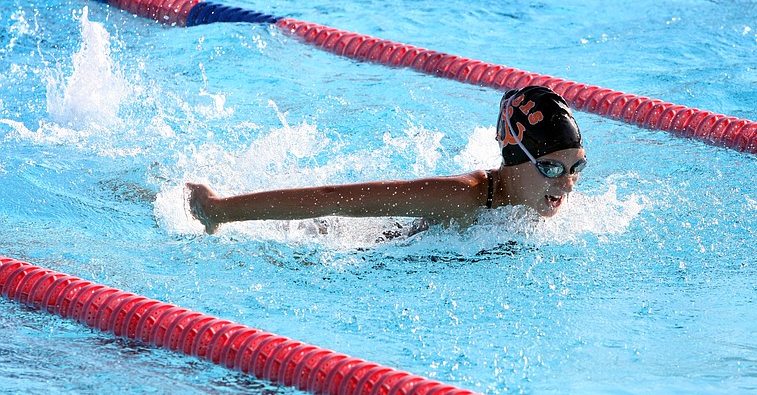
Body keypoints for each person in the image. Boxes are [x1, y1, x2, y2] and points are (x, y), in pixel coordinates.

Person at [186, 85, 586, 235]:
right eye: (551, 168)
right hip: (362, 253)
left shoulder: (541, 200)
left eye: (576, 168)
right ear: (517, 159)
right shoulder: (462, 197)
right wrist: (220, 210)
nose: (567, 185)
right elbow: (334, 199)